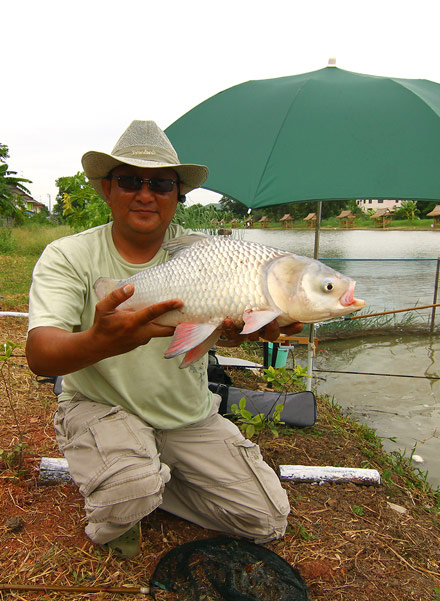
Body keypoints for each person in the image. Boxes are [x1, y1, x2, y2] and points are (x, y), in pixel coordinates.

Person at [25, 120, 302, 558]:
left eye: (161, 184)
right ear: (106, 189)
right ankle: (128, 494)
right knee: (129, 490)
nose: (145, 193)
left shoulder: (206, 253)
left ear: (178, 195)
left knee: (266, 520)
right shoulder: (68, 255)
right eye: (130, 180)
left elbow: (213, 333)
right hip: (103, 407)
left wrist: (234, 335)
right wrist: (103, 340)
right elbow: (41, 356)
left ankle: (153, 481)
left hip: (185, 416)